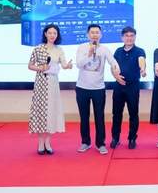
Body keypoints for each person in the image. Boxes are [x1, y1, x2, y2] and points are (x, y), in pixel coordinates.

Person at [75, 24, 121, 155]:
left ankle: (100, 143)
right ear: (87, 35)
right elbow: (79, 64)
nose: (95, 35)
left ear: (101, 35)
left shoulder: (105, 49)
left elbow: (113, 62)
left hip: (98, 89)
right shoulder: (82, 47)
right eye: (92, 32)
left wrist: (116, 71)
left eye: (97, 32)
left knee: (99, 117)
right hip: (82, 88)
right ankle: (85, 142)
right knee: (84, 117)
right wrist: (89, 54)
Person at [28, 24, 73, 155]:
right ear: (45, 34)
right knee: (41, 112)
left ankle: (48, 142)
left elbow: (64, 64)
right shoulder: (38, 49)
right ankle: (40, 143)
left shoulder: (59, 50)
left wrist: (68, 66)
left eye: (55, 33)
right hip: (41, 82)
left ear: (57, 35)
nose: (52, 35)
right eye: (50, 33)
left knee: (51, 112)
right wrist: (40, 68)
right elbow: (30, 65)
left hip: (53, 83)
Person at [110, 26, 146, 150]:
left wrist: (142, 69)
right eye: (126, 36)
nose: (129, 38)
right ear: (122, 37)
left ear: (135, 37)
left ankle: (132, 138)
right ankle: (115, 138)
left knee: (133, 113)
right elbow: (113, 67)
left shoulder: (139, 51)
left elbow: (141, 61)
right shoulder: (118, 51)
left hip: (133, 87)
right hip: (118, 86)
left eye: (131, 36)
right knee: (116, 113)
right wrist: (116, 76)